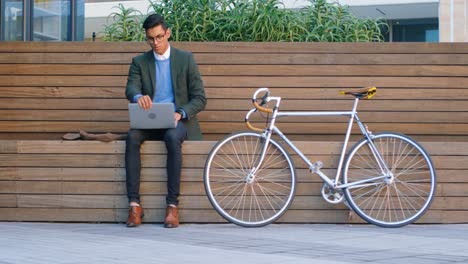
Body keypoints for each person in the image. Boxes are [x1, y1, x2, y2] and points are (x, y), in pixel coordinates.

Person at [124, 13, 207, 228]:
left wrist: (180, 112)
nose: (156, 43)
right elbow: (131, 87)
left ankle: (172, 206)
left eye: (159, 37)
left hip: (177, 122)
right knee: (132, 137)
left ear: (168, 33)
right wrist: (137, 96)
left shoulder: (185, 59)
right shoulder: (139, 62)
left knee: (172, 137)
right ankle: (134, 205)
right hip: (151, 121)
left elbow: (199, 98)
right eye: (151, 38)